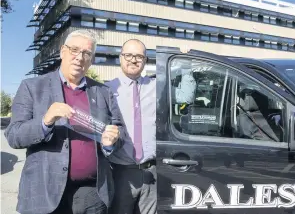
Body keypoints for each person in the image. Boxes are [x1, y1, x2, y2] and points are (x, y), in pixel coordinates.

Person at [4, 29, 123, 214]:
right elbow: (13, 135)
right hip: (44, 191)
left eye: (86, 53)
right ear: (62, 51)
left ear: (91, 59)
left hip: (92, 192)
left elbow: (118, 130)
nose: (80, 57)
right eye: (74, 49)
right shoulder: (32, 87)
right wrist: (45, 121)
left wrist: (110, 144)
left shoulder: (103, 92)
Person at [106, 40, 196, 214]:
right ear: (120, 58)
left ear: (145, 60)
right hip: (120, 173)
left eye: (139, 56)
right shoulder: (108, 89)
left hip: (151, 173)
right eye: (128, 55)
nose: (133, 60)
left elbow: (186, 96)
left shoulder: (156, 87)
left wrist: (185, 64)